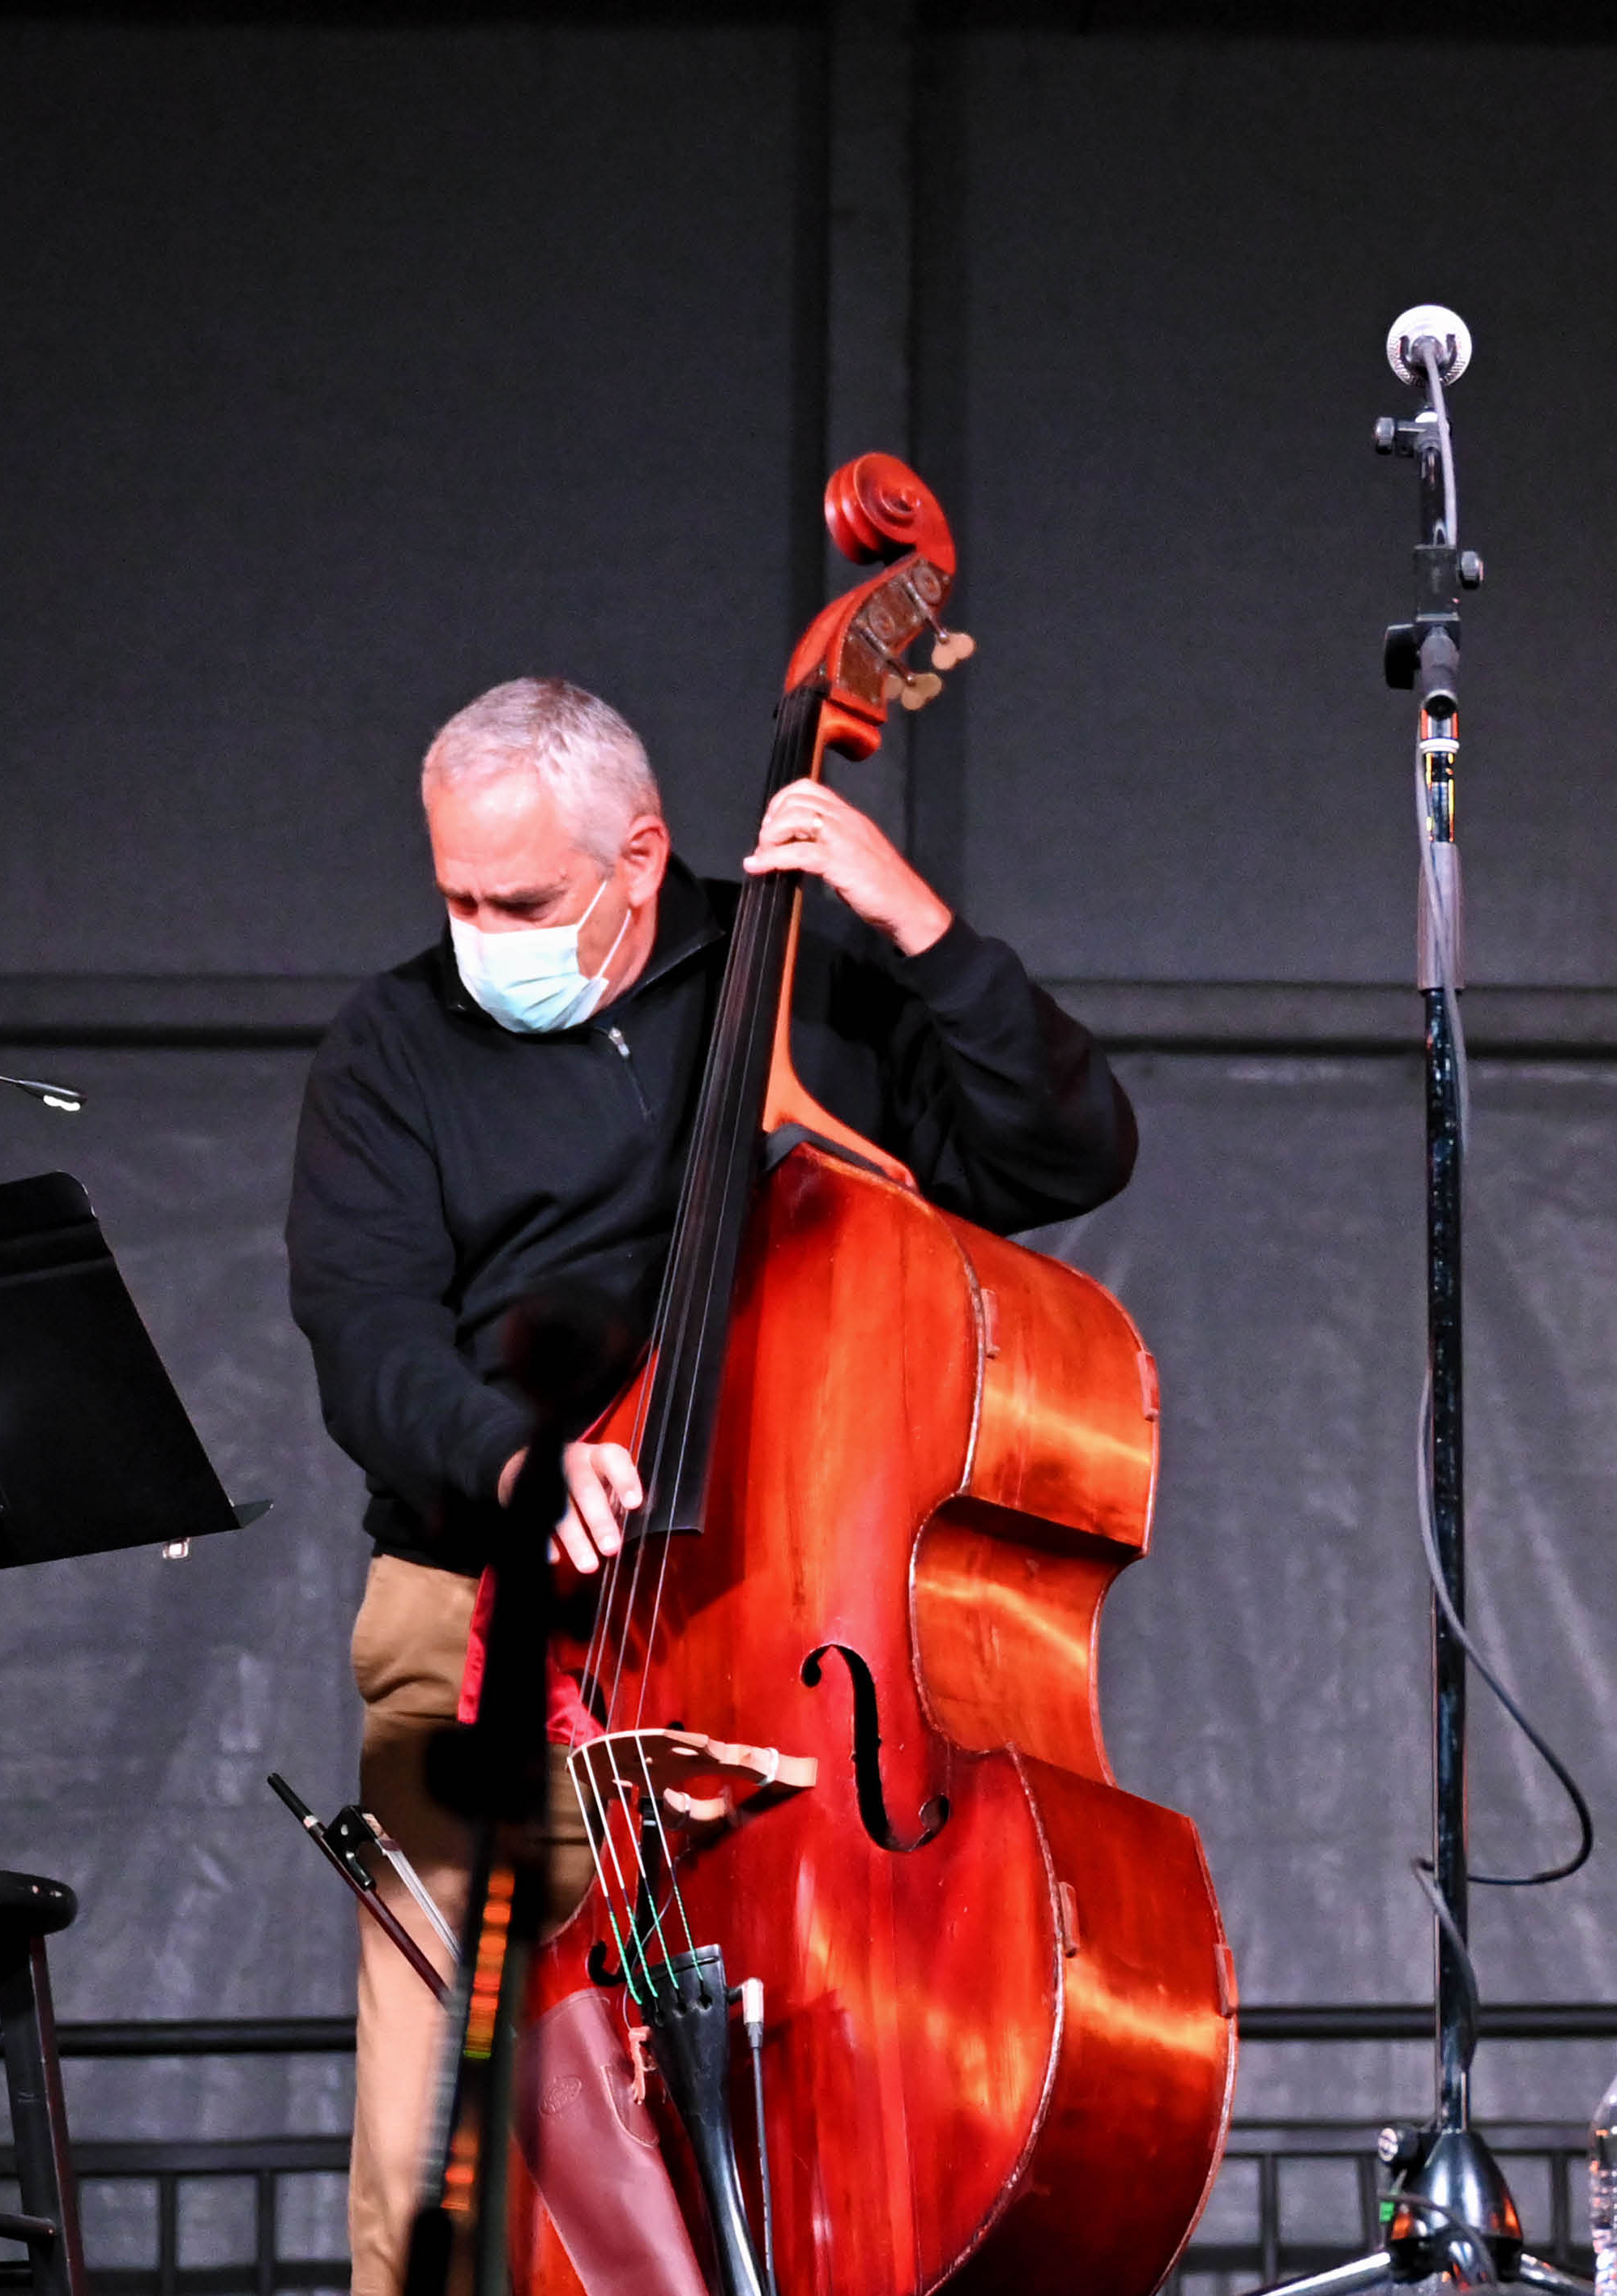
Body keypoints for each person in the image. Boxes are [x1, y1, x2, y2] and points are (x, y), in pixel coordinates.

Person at [284, 676, 1135, 2296]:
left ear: (643, 853)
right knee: (439, 2170)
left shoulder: (812, 978)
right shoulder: (392, 1048)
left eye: (518, 900)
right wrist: (518, 1459)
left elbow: (1065, 1157)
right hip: (494, 1625)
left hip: (792, 1621)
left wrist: (926, 934)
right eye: (453, 894)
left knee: (844, 2124)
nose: (480, 931)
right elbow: (366, 1336)